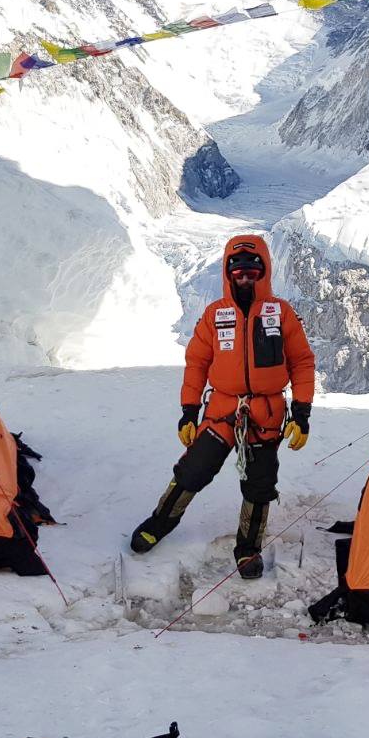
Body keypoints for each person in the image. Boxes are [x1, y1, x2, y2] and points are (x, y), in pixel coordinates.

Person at [130, 234, 315, 579]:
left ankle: (248, 550)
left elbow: (302, 363)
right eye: (238, 270)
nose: (245, 276)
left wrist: (302, 413)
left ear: (264, 272)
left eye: (252, 270)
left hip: (266, 414)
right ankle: (158, 524)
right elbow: (196, 363)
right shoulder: (215, 315)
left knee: (260, 486)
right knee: (192, 471)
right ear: (229, 274)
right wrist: (189, 411)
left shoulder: (281, 313)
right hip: (221, 410)